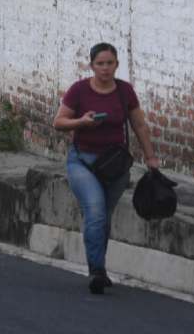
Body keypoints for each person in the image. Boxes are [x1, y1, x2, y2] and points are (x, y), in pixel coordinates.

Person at [53, 42, 159, 295]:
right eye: (100, 64)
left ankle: (99, 265)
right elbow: (59, 122)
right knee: (96, 211)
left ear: (116, 64)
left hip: (115, 166)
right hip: (83, 161)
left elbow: (139, 126)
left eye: (110, 63)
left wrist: (151, 157)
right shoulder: (79, 90)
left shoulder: (124, 91)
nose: (105, 68)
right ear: (91, 65)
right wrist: (81, 122)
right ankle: (96, 271)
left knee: (105, 219)